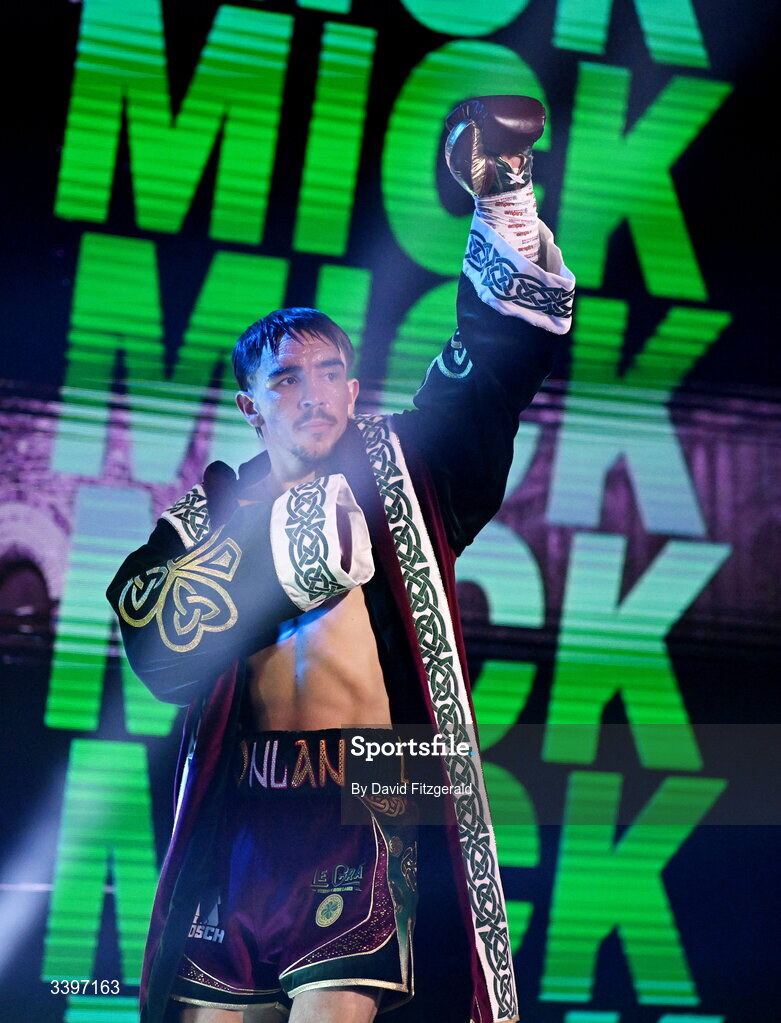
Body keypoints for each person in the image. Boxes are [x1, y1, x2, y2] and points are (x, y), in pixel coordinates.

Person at [107, 96, 575, 1023]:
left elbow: (491, 369)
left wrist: (502, 203)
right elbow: (152, 644)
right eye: (286, 377)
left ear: (354, 387)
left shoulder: (401, 468)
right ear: (250, 404)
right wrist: (287, 554)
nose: (313, 394)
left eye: (329, 373)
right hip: (240, 816)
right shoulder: (203, 517)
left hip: (361, 803)